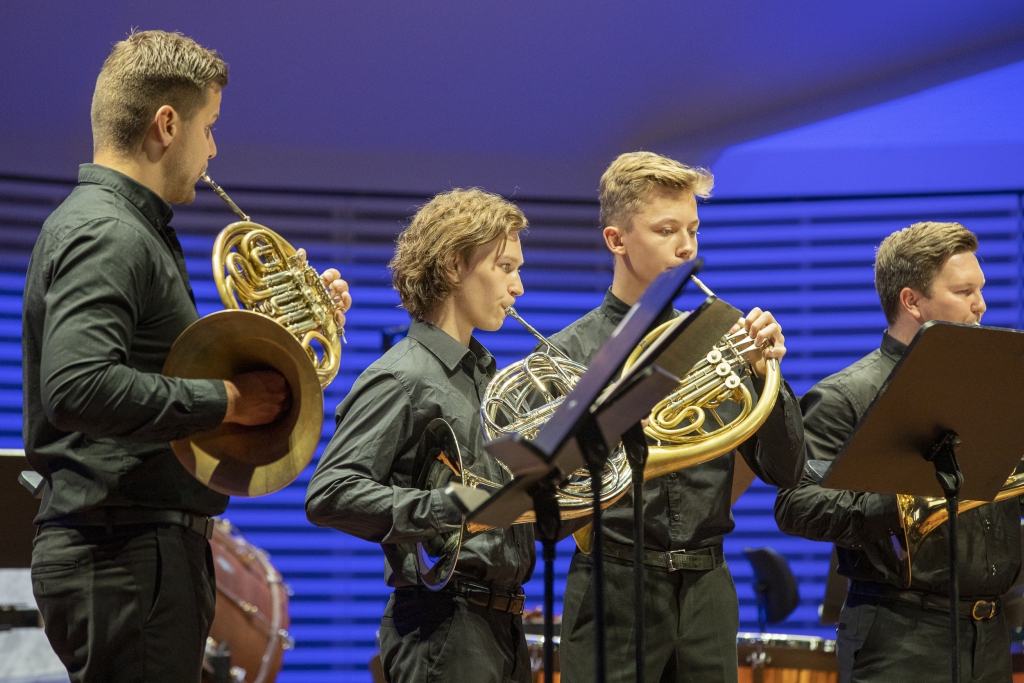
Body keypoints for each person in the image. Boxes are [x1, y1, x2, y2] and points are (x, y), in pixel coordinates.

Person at [22, 30, 350, 683]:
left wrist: (291, 325)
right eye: (211, 126)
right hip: (123, 549)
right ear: (167, 124)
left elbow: (160, 364)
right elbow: (79, 385)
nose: (214, 149)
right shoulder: (107, 230)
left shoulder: (127, 229)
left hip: (139, 549)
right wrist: (230, 399)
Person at [550, 151, 805, 683]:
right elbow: (545, 499)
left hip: (707, 587)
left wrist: (768, 376)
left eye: (692, 228)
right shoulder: (567, 354)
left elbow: (787, 469)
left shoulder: (725, 336)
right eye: (667, 230)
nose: (687, 246)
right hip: (612, 585)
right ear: (616, 240)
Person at [306, 188, 536, 683]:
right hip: (444, 629)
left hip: (504, 631)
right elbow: (329, 494)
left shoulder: (483, 380)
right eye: (505, 267)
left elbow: (504, 509)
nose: (518, 287)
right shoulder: (403, 375)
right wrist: (457, 506)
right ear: (455, 265)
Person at [775, 221, 1018, 683]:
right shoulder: (846, 396)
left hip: (989, 636)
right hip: (899, 637)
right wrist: (900, 500)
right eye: (964, 291)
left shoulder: (988, 390)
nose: (981, 305)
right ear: (912, 301)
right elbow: (796, 504)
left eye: (980, 289)